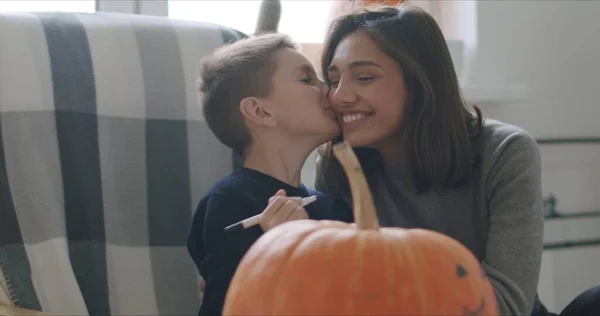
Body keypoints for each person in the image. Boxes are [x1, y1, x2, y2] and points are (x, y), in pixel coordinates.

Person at [187, 33, 352, 316]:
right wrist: (277, 255)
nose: (328, 90)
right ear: (260, 111)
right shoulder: (229, 202)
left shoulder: (332, 207)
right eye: (306, 80)